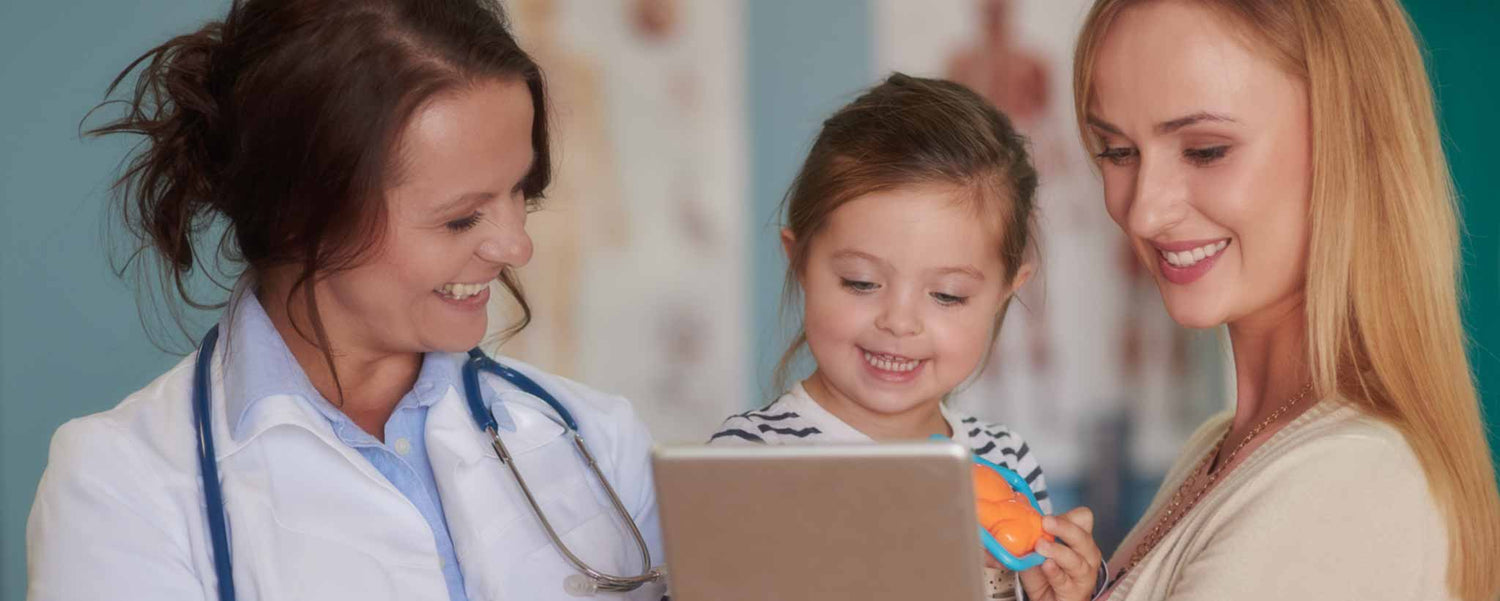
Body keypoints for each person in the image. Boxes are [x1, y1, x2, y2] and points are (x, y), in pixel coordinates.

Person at [26, 1, 665, 599]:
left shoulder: (598, 441)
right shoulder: (122, 485)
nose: (516, 246)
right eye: (461, 219)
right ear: (300, 216)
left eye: (521, 190)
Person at [1072, 0, 1500, 599]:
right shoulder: (1225, 447)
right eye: (1117, 152)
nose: (1142, 212)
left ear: (1348, 144)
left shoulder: (1345, 482)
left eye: (1205, 150)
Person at [710, 73, 1105, 601]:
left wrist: (1069, 592)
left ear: (1005, 293)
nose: (899, 322)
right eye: (861, 283)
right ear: (798, 261)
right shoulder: (750, 458)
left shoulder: (1007, 461)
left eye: (946, 295)